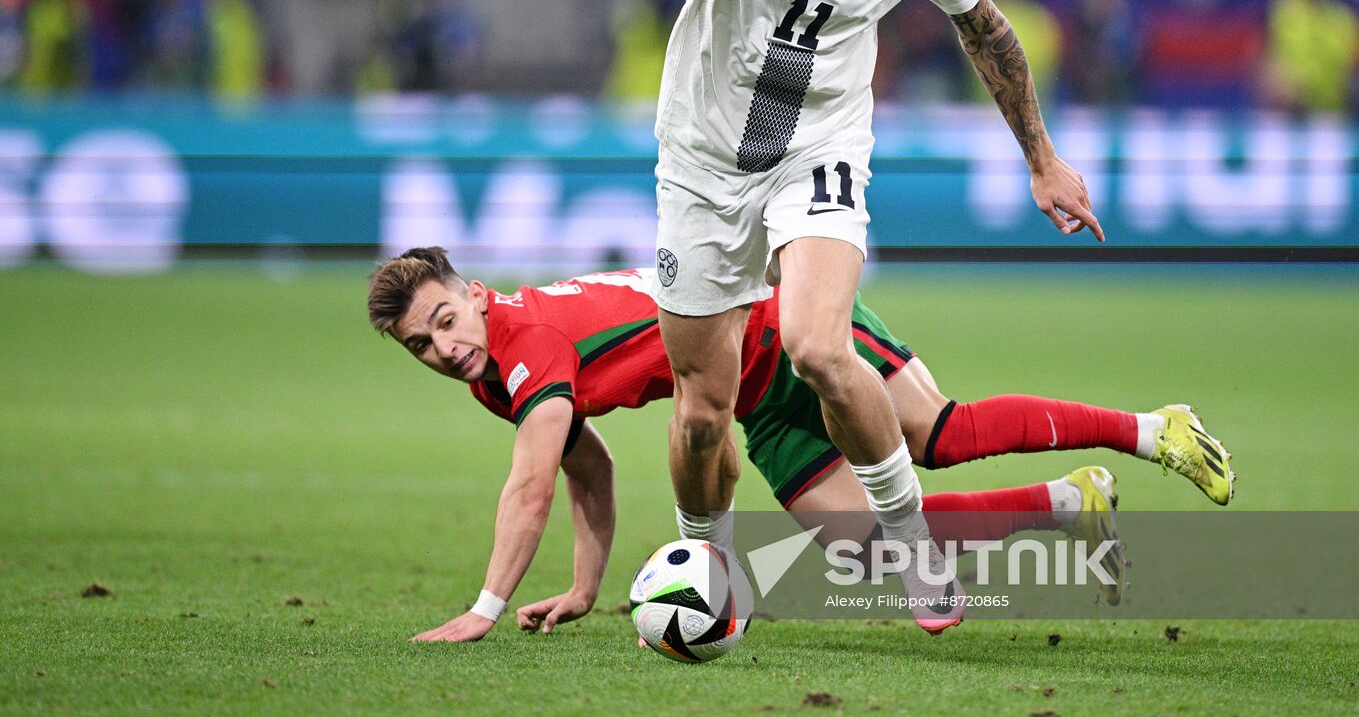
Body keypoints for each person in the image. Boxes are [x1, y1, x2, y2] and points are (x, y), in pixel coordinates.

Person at [572, 0, 1105, 633]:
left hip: (817, 149)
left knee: (817, 345)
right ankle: (701, 558)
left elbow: (985, 30)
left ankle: (910, 549)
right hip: (701, 168)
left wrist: (1040, 157)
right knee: (702, 409)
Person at [365, 247, 1234, 642]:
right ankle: (1066, 503)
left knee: (939, 434)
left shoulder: (527, 351)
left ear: (474, 294)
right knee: (857, 545)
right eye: (422, 345)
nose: (443, 346)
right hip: (749, 395)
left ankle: (1154, 430)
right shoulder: (491, 369)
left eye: (445, 320)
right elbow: (585, 465)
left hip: (790, 329)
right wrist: (585, 589)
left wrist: (482, 610)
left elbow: (531, 489)